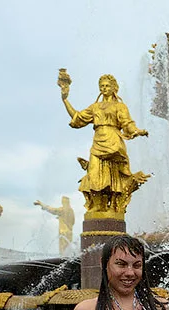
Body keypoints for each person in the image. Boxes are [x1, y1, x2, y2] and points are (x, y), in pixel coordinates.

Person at [60, 73, 150, 215]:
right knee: (93, 173)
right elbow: (78, 117)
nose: (104, 88)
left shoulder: (120, 106)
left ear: (114, 88)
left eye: (107, 85)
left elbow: (127, 124)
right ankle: (97, 207)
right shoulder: (95, 107)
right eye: (101, 86)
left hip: (114, 142)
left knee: (114, 176)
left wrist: (137, 131)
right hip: (98, 142)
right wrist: (65, 99)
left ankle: (114, 207)